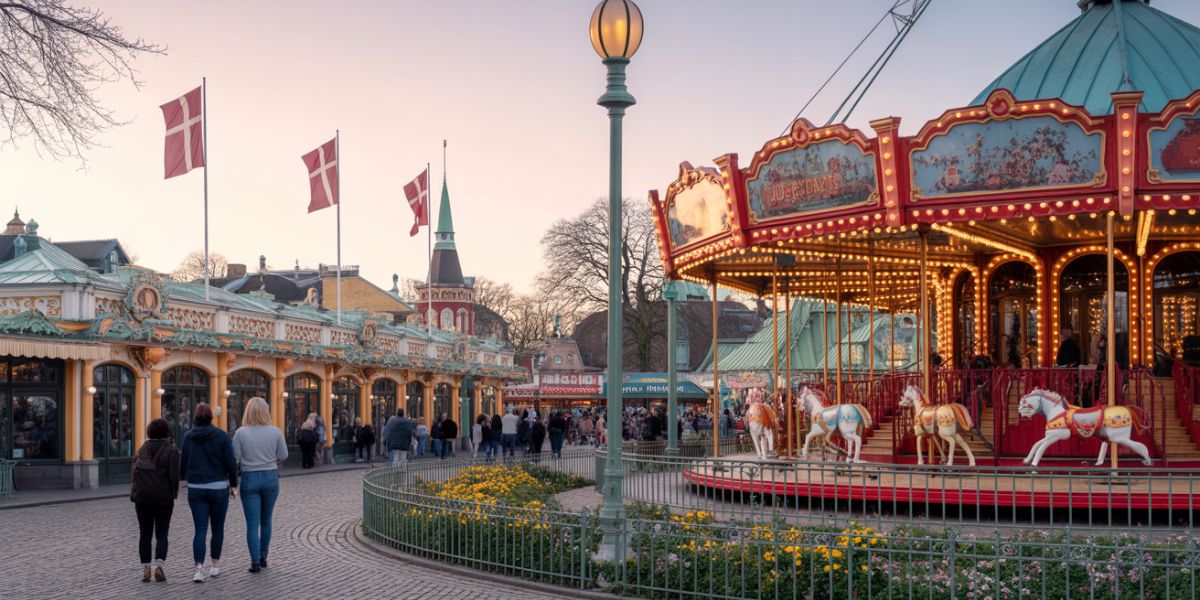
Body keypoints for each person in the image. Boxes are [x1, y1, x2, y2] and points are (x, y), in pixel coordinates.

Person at [180, 403, 238, 583]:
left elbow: (183, 463)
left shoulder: (188, 436)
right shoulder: (221, 436)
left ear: (195, 417)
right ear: (211, 417)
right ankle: (215, 565)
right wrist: (233, 484)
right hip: (219, 487)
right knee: (217, 529)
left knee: (200, 530)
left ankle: (198, 569)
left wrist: (186, 477)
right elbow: (230, 463)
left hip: (196, 488)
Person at [232, 397, 287, 573]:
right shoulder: (276, 431)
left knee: (252, 524)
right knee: (266, 520)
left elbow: (235, 457)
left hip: (249, 477)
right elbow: (284, 455)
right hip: (270, 476)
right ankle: (264, 556)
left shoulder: (241, 433)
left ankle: (254, 561)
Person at [131, 417, 180, 583]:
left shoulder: (141, 449)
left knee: (144, 533)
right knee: (162, 533)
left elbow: (134, 473)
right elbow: (174, 476)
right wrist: (173, 492)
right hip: (163, 498)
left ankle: (145, 569)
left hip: (142, 497)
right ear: (166, 432)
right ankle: (159, 564)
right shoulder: (171, 450)